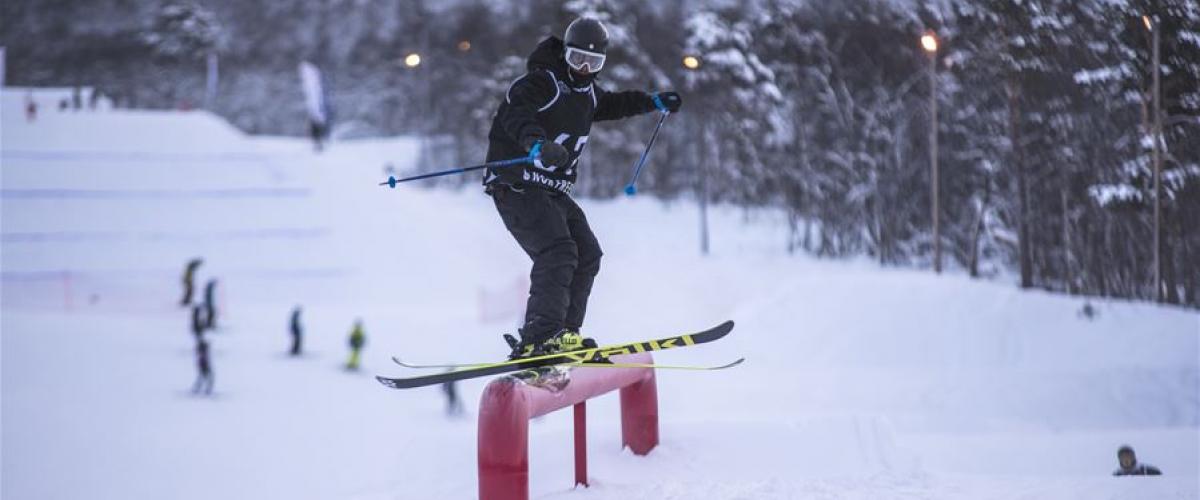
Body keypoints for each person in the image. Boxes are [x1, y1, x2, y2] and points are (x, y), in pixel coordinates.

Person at [483, 17, 682, 359]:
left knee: (587, 253)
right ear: (565, 55)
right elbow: (516, 114)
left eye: (594, 63)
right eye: (577, 59)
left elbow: (616, 105)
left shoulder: (588, 94)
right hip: (516, 185)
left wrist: (653, 101)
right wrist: (536, 143)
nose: (584, 68)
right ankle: (538, 338)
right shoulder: (541, 83)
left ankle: (564, 334)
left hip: (552, 191)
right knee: (558, 251)